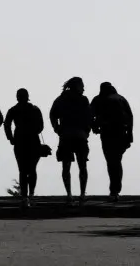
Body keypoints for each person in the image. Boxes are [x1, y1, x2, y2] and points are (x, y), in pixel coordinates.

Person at [50, 76, 93, 205]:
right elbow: (89, 116)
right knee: (82, 165)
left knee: (66, 166)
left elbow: (52, 114)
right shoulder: (83, 100)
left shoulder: (61, 99)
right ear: (77, 86)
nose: (84, 88)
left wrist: (56, 128)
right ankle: (81, 194)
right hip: (78, 136)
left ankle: (69, 194)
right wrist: (87, 130)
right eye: (82, 85)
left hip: (66, 135)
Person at [91, 81, 134, 201]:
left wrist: (95, 127)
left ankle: (114, 190)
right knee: (117, 161)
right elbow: (130, 117)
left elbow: (91, 115)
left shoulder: (99, 99)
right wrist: (130, 135)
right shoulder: (121, 99)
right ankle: (116, 189)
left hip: (107, 134)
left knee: (111, 161)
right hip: (121, 133)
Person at [3, 88, 45, 208]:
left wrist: (10, 138)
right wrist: (33, 130)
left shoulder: (13, 110)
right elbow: (41, 126)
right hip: (33, 141)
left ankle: (25, 197)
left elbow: (7, 124)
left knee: (22, 170)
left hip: (20, 141)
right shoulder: (34, 109)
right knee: (32, 169)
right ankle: (30, 195)